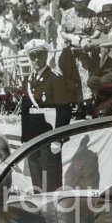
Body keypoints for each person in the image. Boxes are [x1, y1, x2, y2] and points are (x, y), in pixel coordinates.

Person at [21, 39, 75, 192]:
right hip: (32, 135)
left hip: (49, 135)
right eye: (33, 57)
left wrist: (58, 139)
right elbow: (24, 111)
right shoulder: (28, 80)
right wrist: (24, 138)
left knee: (51, 181)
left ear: (46, 56)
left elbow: (64, 110)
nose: (37, 60)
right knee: (36, 181)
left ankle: (53, 212)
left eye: (40, 56)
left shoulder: (55, 78)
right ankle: (40, 211)